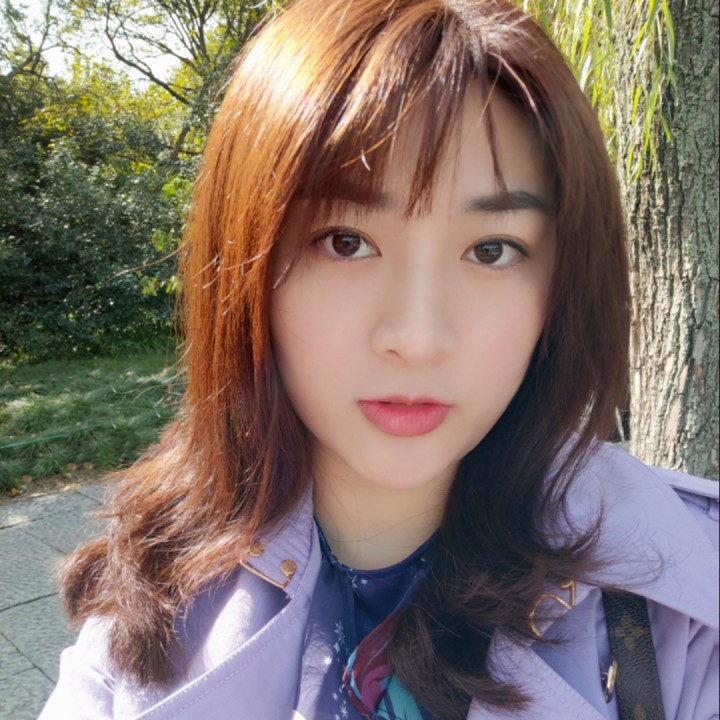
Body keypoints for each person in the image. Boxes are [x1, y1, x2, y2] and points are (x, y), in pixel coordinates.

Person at [39, 0, 718, 718]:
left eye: (492, 250)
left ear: (563, 285)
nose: (417, 338)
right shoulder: (153, 592)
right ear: (243, 268)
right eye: (345, 242)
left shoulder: (680, 605)